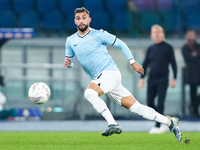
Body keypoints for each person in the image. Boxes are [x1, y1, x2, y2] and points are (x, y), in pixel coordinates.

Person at [64, 7, 182, 142]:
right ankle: (169, 122)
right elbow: (70, 62)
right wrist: (68, 64)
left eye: (84, 17)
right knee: (136, 108)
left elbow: (121, 44)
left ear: (89, 19)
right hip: (103, 79)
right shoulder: (70, 40)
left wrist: (133, 61)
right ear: (75, 21)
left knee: (90, 93)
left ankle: (112, 124)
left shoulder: (99, 34)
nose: (81, 21)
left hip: (109, 73)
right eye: (78, 18)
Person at [137, 25, 177, 134]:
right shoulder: (151, 48)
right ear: (152, 34)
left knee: (160, 103)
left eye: (158, 32)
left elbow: (173, 64)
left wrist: (174, 78)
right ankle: (164, 118)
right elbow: (145, 64)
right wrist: (142, 78)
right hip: (152, 79)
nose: (156, 34)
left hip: (163, 79)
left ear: (162, 33)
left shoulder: (168, 47)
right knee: (150, 103)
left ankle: (158, 125)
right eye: (154, 32)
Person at [181, 29, 200, 118]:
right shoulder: (185, 47)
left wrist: (194, 55)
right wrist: (195, 56)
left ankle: (193, 105)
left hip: (198, 71)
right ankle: (194, 110)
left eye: (193, 34)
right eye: (190, 35)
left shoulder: (198, 46)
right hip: (191, 73)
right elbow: (187, 58)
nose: (192, 36)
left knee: (195, 93)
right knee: (193, 91)